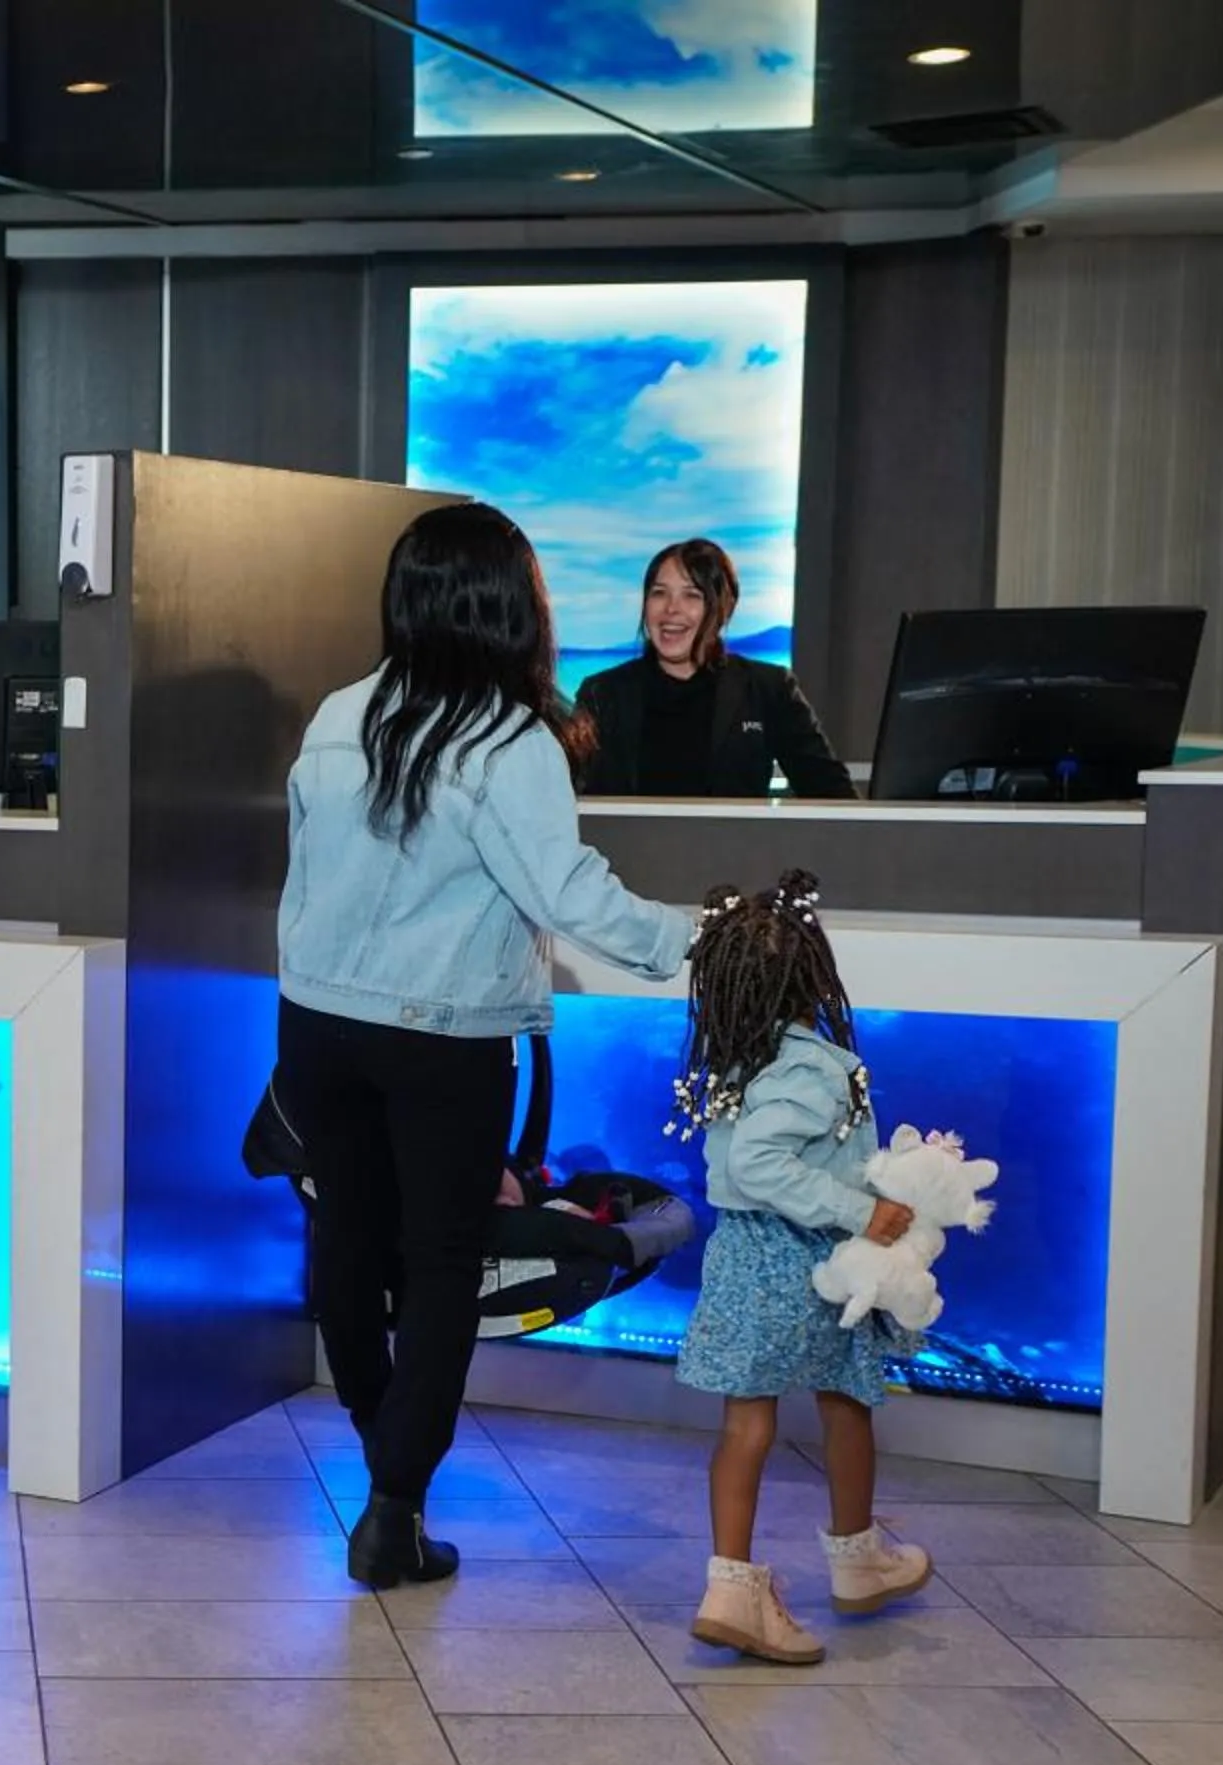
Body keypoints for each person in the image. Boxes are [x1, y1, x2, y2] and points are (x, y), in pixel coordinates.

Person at [275, 502, 693, 1591]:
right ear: (514, 605)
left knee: (346, 1245)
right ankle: (394, 1506)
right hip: (441, 1035)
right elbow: (566, 890)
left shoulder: (338, 712)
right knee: (441, 1264)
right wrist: (696, 941)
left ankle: (382, 1460)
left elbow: (303, 871)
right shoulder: (512, 741)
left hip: (315, 1021)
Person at [672, 869, 934, 1664]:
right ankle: (856, 1557)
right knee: (846, 1401)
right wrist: (864, 1211)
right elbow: (760, 1164)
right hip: (810, 1263)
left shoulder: (732, 1067)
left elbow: (743, 1160)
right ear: (814, 978)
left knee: (746, 1426)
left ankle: (732, 1588)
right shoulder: (817, 1068)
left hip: (741, 1259)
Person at [573, 539, 853, 799]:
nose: (671, 609)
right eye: (659, 593)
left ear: (723, 608)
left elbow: (833, 795)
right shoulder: (601, 694)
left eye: (691, 595)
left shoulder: (769, 688)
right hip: (624, 853)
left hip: (734, 852)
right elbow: (565, 803)